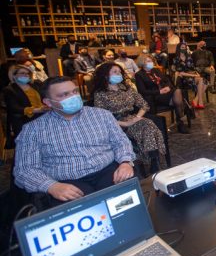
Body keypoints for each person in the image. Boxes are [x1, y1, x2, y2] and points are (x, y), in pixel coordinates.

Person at [13, 76, 136, 205]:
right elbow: (25, 170)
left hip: (108, 170)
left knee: (125, 203)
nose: (73, 97)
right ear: (48, 102)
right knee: (85, 209)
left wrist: (125, 162)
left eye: (75, 91)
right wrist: (51, 186)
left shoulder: (101, 115)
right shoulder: (33, 130)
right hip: (67, 181)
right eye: (64, 95)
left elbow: (121, 141)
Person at [93, 62, 166, 173]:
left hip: (131, 118)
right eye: (115, 72)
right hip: (113, 123)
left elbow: (144, 105)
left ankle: (153, 161)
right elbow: (101, 117)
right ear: (106, 75)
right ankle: (151, 161)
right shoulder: (100, 93)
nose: (119, 74)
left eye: (119, 72)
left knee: (148, 124)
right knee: (146, 126)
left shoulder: (127, 89)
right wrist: (125, 124)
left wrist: (137, 117)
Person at [135, 54, 189, 133]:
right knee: (178, 100)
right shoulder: (139, 75)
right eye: (148, 61)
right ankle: (180, 121)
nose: (151, 62)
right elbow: (142, 91)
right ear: (142, 63)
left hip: (166, 93)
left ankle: (180, 121)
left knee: (177, 91)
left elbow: (166, 80)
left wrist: (168, 87)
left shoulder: (156, 70)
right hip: (155, 96)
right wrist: (159, 91)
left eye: (151, 61)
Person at [2, 65, 49, 148]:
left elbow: (45, 96)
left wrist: (46, 106)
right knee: (30, 145)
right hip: (24, 120)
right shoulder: (9, 90)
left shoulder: (36, 84)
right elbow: (14, 108)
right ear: (14, 76)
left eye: (27, 73)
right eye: (22, 73)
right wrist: (36, 110)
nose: (26, 75)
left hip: (42, 115)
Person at [173, 42, 207, 109]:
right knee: (202, 80)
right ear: (179, 48)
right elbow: (181, 73)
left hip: (191, 75)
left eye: (185, 47)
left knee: (205, 81)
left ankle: (196, 100)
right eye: (182, 47)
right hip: (183, 78)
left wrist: (196, 73)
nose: (184, 49)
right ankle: (199, 102)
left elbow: (193, 68)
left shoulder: (189, 57)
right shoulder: (176, 59)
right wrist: (194, 76)